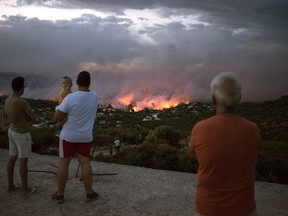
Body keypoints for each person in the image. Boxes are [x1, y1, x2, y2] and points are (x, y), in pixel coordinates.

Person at [188, 72, 262, 216]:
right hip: (244, 209)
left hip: (209, 208)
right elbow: (257, 150)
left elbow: (194, 153)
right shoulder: (252, 129)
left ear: (214, 99)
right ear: (239, 99)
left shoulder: (200, 129)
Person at [52, 71, 99, 204]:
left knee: (63, 164)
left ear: (76, 83)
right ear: (89, 83)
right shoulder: (94, 96)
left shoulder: (70, 98)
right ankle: (89, 193)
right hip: (85, 136)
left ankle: (60, 194)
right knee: (85, 163)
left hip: (68, 136)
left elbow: (57, 117)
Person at [5, 76, 37, 194]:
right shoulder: (21, 101)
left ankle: (10, 186)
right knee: (23, 160)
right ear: (21, 87)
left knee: (12, 158)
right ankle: (25, 188)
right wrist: (27, 118)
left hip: (11, 131)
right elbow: (33, 117)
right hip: (21, 134)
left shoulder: (8, 99)